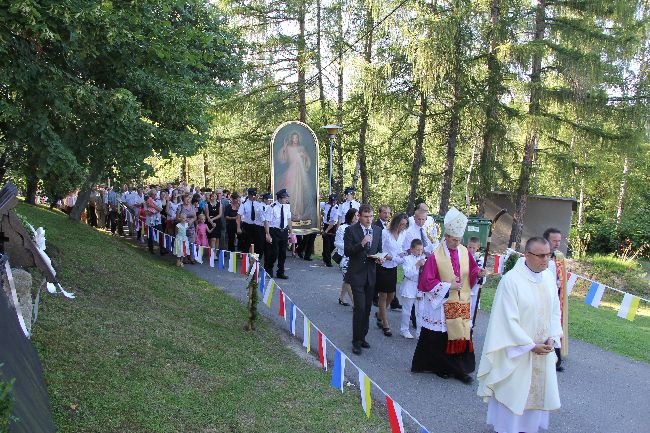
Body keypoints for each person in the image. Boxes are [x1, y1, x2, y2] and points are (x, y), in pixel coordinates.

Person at [477, 237, 563, 433]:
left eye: (548, 255)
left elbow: (554, 311)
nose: (545, 260)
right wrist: (531, 345)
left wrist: (551, 336)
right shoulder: (511, 281)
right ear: (527, 255)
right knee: (514, 394)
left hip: (543, 349)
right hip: (518, 352)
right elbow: (506, 320)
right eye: (541, 255)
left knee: (534, 401)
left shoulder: (549, 278)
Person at [411, 207, 485, 384]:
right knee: (441, 337)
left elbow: (472, 271)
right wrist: (448, 286)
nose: (456, 242)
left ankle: (460, 369)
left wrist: (479, 273)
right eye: (454, 239)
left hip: (460, 302)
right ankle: (441, 366)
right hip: (443, 302)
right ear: (446, 236)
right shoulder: (436, 255)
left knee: (460, 334)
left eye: (459, 239)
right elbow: (426, 281)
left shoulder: (464, 251)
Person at [344, 204, 383, 355]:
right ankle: (356, 342)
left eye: (371, 217)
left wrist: (380, 258)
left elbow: (378, 250)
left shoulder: (378, 230)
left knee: (367, 308)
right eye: (366, 217)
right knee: (359, 308)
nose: (369, 219)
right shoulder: (351, 230)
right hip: (356, 275)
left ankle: (362, 337)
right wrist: (361, 243)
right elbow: (348, 251)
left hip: (371, 275)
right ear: (359, 216)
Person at [375, 212, 408, 337]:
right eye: (401, 224)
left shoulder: (403, 234)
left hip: (393, 267)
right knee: (383, 295)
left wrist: (403, 255)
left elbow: (400, 249)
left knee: (391, 295)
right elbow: (379, 249)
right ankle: (385, 323)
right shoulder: (385, 233)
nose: (403, 227)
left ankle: (379, 315)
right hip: (383, 266)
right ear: (395, 223)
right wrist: (388, 257)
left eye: (405, 225)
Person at [543, 227, 568, 372]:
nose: (557, 244)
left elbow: (561, 277)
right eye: (554, 241)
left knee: (554, 324)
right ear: (547, 240)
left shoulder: (559, 257)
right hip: (540, 295)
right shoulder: (539, 255)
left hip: (555, 297)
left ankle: (556, 358)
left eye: (559, 241)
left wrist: (559, 284)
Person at [278, 132, 313, 221]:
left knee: (299, 192)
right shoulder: (288, 148)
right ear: (291, 139)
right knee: (291, 190)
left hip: (300, 173)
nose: (295, 140)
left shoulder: (302, 148)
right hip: (292, 171)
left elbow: (307, 160)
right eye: (293, 138)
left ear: (298, 139)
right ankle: (290, 212)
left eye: (296, 138)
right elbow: (283, 159)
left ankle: (298, 213)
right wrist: (285, 147)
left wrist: (304, 156)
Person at [399, 239, 426, 339]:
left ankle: (419, 332)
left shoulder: (424, 259)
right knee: (407, 310)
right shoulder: (407, 259)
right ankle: (404, 329)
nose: (419, 252)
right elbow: (408, 274)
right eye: (417, 249)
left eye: (421, 250)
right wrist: (417, 265)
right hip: (410, 286)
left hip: (420, 288)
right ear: (411, 249)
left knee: (421, 311)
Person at [263, 189, 292, 279]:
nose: (286, 199)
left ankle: (281, 272)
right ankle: (268, 269)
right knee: (274, 253)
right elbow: (267, 222)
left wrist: (291, 231)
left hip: (283, 232)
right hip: (274, 232)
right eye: (285, 197)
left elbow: (288, 219)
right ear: (280, 198)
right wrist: (267, 234)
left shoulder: (287, 206)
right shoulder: (272, 207)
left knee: (283, 253)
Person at [335, 208, 358, 307]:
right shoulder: (342, 228)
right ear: (351, 216)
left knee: (347, 279)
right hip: (345, 258)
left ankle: (341, 297)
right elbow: (336, 243)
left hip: (355, 258)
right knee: (349, 279)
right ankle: (355, 303)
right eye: (356, 215)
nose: (358, 217)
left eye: (358, 215)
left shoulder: (359, 228)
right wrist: (349, 248)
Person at [466, 236, 485, 327]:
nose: (471, 250)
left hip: (474, 289)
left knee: (472, 310)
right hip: (464, 287)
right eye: (469, 247)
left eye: (474, 248)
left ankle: (470, 329)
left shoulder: (480, 260)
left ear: (478, 247)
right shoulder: (463, 257)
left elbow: (482, 274)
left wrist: (480, 275)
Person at [177, 194, 198, 263]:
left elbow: (195, 217)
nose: (188, 201)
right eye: (186, 199)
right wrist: (183, 220)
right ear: (183, 200)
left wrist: (191, 220)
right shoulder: (180, 207)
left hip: (191, 227)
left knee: (191, 243)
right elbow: (177, 218)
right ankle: (185, 257)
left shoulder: (192, 206)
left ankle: (191, 257)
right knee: (184, 243)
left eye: (189, 199)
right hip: (183, 228)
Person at [238, 188, 258, 253]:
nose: (254, 197)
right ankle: (245, 261)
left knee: (256, 245)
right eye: (252, 195)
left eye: (254, 195)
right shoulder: (244, 204)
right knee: (246, 243)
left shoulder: (258, 204)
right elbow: (239, 215)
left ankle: (254, 261)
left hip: (256, 226)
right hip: (247, 226)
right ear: (249, 195)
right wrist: (238, 227)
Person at [321, 194, 339, 267]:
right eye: (331, 201)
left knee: (332, 245)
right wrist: (319, 197)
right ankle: (328, 261)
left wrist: (326, 231)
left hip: (332, 227)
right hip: (326, 225)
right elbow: (316, 203)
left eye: (334, 201)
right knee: (326, 245)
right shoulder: (325, 205)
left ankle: (325, 254)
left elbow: (333, 222)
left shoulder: (337, 209)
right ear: (329, 201)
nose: (333, 203)